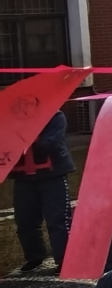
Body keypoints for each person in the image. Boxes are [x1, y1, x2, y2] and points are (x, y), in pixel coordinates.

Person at [7, 109, 72, 277]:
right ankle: (34, 257)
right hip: (24, 179)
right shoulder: (12, 120)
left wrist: (26, 137)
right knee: (25, 221)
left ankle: (64, 258)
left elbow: (49, 144)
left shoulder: (55, 115)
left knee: (57, 220)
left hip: (52, 177)